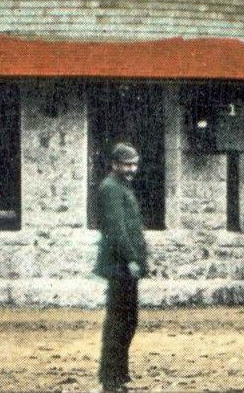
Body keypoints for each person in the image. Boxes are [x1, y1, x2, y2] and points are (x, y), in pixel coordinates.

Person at [93, 143, 148, 392]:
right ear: (114, 164)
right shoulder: (110, 188)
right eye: (127, 164)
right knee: (119, 320)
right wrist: (131, 259)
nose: (132, 169)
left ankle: (119, 373)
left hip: (124, 265)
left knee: (128, 320)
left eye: (135, 164)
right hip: (119, 265)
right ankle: (110, 379)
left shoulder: (121, 186)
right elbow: (117, 230)